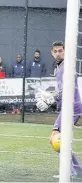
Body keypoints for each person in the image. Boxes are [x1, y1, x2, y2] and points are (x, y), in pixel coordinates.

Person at [35, 41, 82, 178]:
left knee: (56, 139)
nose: (58, 53)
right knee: (57, 139)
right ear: (51, 52)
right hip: (69, 107)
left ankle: (73, 171)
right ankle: (75, 170)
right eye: (55, 51)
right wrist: (51, 96)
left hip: (72, 107)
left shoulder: (66, 67)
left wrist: (51, 99)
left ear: (65, 51)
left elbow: (68, 88)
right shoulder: (60, 67)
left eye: (60, 50)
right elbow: (63, 90)